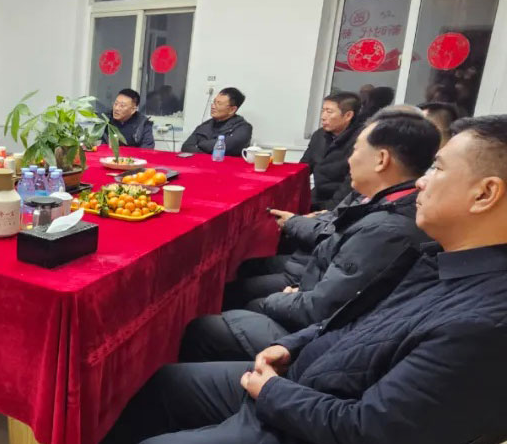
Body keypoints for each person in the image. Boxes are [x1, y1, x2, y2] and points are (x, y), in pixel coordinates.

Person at [83, 114, 507, 444]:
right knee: (168, 384)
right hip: (315, 384)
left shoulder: (484, 324)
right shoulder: (445, 259)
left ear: (485, 194)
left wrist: (272, 392)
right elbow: (349, 316)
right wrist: (295, 346)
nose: (422, 182)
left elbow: (371, 438)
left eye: (438, 168)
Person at [181, 111, 439, 362]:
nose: (349, 160)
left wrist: (289, 297)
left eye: (356, 151)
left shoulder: (385, 228)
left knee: (209, 326)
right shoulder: (388, 204)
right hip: (316, 295)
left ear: (381, 160)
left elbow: (322, 307)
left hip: (321, 344)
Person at [302, 92, 363, 210]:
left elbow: (351, 183)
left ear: (348, 115)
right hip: (318, 196)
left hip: (344, 203)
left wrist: (328, 211)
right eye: (323, 111)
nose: (323, 116)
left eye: (329, 112)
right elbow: (304, 167)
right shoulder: (319, 135)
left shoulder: (361, 140)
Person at [180, 87, 252, 157]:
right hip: (202, 164)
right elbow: (186, 147)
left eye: (219, 104)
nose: (213, 106)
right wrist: (208, 157)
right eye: (214, 102)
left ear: (232, 110)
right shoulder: (205, 125)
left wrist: (201, 144)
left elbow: (224, 147)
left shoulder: (243, 128)